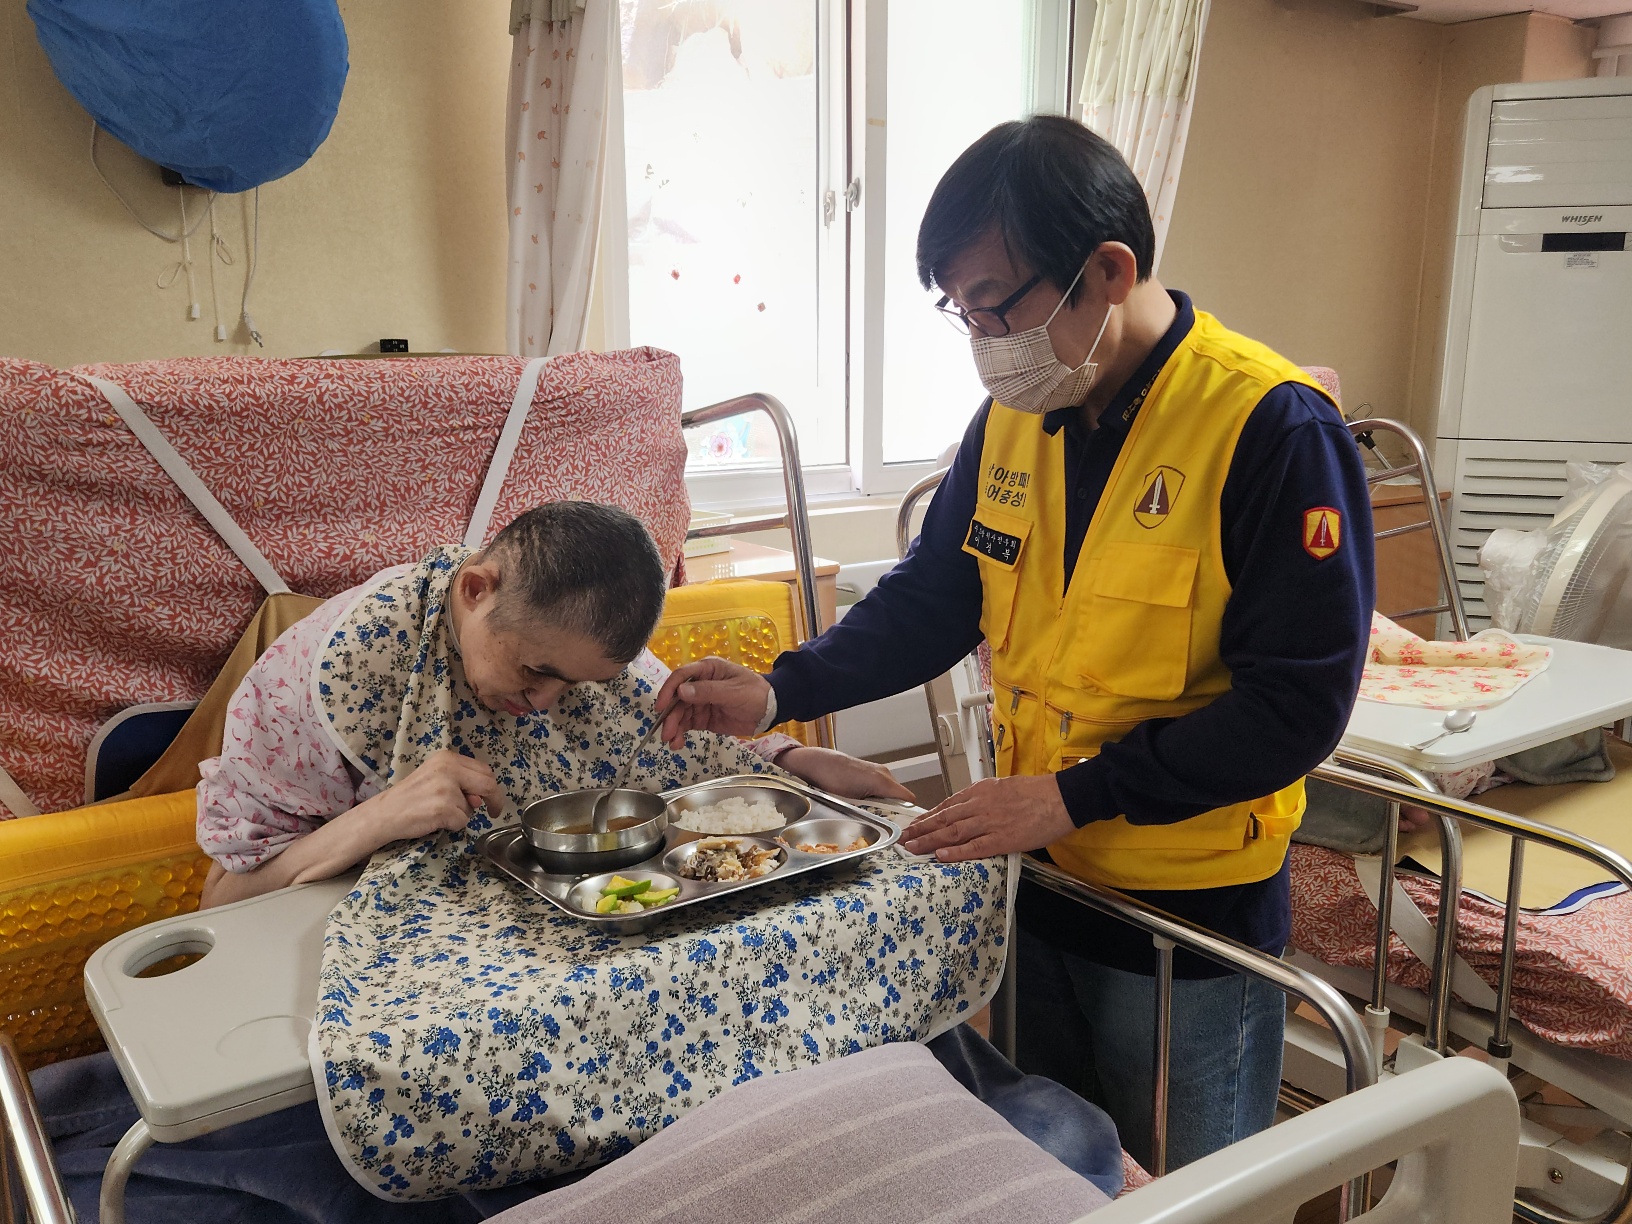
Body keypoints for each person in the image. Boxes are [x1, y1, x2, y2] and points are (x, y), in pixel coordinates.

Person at [657, 116, 1375, 1169]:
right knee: (1057, 1164)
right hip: (1036, 878)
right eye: (963, 310)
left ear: (1109, 271)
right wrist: (779, 691)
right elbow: (933, 597)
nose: (984, 340)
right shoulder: (1016, 418)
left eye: (996, 304)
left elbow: (1296, 710)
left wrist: (1074, 795)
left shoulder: (1269, 430)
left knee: (1193, 1190)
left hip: (1187, 915)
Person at [197, 499, 910, 909]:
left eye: (575, 686)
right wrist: (379, 817)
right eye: (534, 671)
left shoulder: (582, 652)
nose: (544, 704)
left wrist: (789, 759)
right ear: (476, 589)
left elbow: (673, 746)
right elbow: (223, 897)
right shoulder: (329, 676)